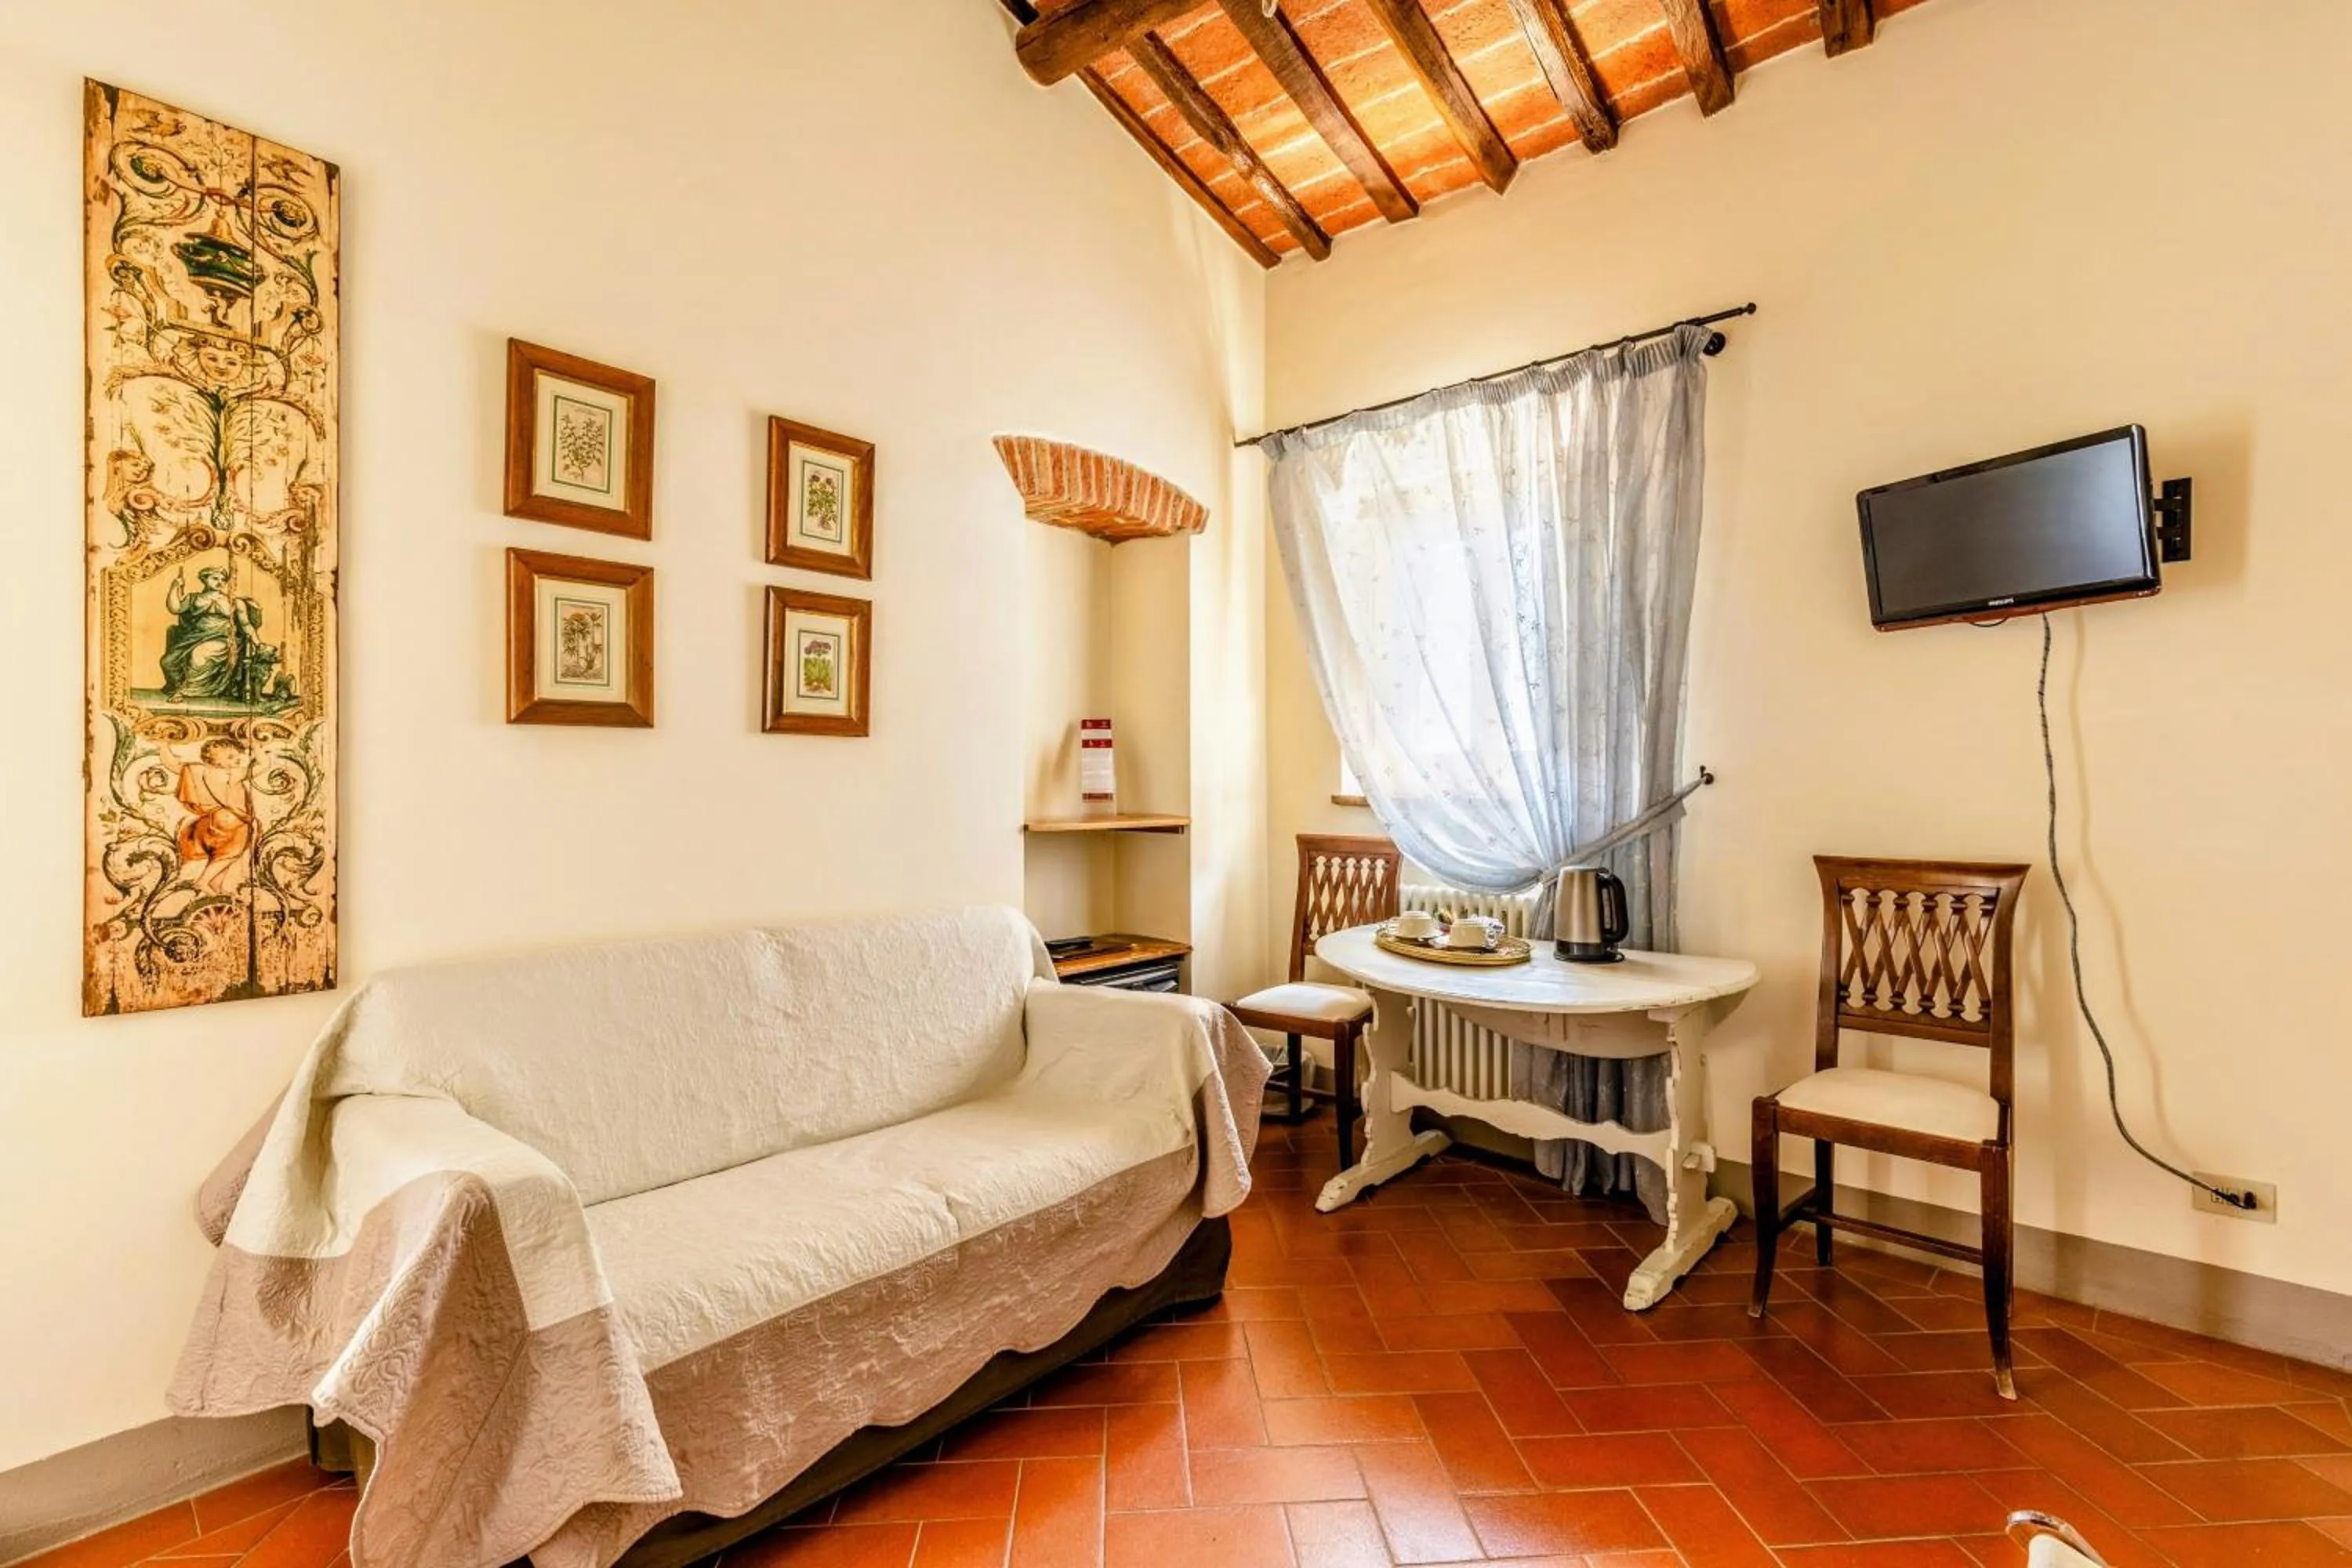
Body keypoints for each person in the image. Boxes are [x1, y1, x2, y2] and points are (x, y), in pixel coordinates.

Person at [175, 736, 253, 893]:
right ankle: (203, 881)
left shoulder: (205, 774)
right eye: (231, 757)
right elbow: (263, 766)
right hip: (234, 823)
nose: (237, 758)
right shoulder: (234, 774)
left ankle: (216, 884)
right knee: (230, 855)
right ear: (215, 760)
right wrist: (258, 749)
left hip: (218, 821)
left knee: (222, 857)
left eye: (238, 755)